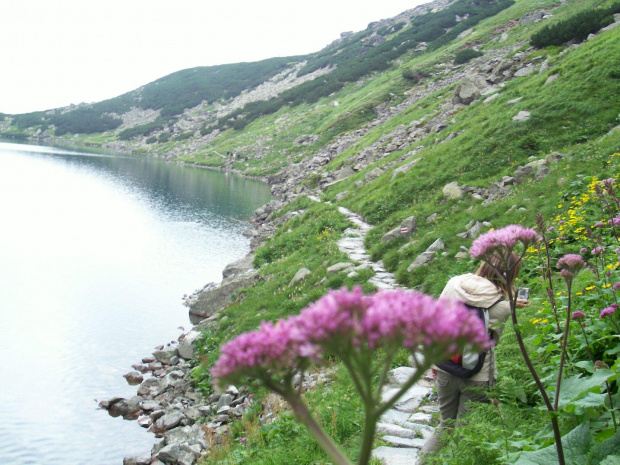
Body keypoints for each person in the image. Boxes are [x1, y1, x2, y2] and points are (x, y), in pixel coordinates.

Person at [418, 252, 530, 463]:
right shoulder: (503, 306)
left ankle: (422, 462)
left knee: (446, 424)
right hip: (478, 375)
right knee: (466, 432)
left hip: (445, 365)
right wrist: (512, 305)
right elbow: (493, 340)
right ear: (511, 273)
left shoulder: (454, 284)